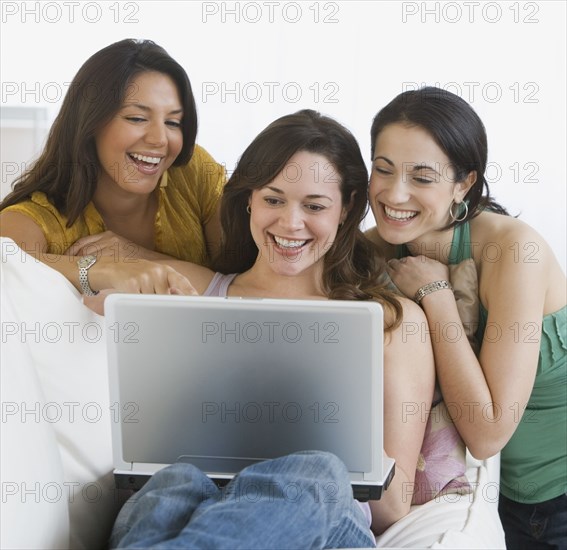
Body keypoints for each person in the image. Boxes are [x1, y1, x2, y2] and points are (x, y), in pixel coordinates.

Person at [108, 109, 435, 548]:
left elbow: (393, 506)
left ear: (347, 208)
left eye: (314, 205)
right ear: (249, 199)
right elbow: (27, 262)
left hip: (323, 522)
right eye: (273, 199)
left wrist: (333, 429)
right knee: (174, 479)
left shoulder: (392, 322)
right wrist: (106, 288)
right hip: (205, 503)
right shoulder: (194, 291)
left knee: (315, 469)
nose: (290, 223)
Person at [366, 86, 566, 549]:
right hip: (471, 501)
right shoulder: (374, 251)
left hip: (555, 502)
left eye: (422, 176)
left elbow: (487, 432)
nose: (395, 193)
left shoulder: (514, 249)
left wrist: (436, 297)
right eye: (383, 168)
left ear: (464, 183)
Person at [0, 39, 225, 297]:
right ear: (90, 122)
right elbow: (6, 268)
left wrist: (136, 256)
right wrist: (100, 270)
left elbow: (248, 285)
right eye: (137, 118)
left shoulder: (190, 173)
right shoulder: (35, 218)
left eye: (173, 122)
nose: (160, 139)